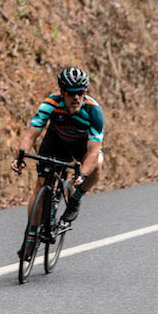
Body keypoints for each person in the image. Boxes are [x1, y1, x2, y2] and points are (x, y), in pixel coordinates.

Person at [11, 67, 104, 259]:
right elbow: (31, 134)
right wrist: (20, 157)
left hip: (81, 145)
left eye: (81, 92)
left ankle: (75, 199)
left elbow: (94, 150)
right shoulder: (51, 103)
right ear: (62, 92)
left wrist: (82, 174)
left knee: (99, 163)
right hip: (56, 141)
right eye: (72, 93)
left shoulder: (94, 110)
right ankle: (30, 238)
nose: (77, 97)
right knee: (40, 186)